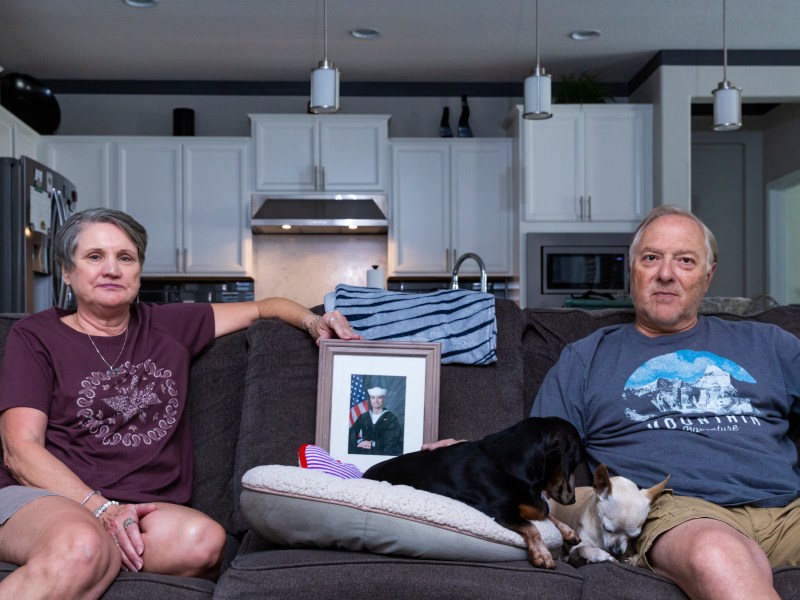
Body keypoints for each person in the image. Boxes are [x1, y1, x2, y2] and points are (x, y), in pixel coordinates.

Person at [0, 208, 360, 600]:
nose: (112, 269)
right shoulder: (35, 336)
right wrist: (101, 509)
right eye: (94, 257)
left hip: (140, 510)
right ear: (67, 272)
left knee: (203, 541)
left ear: (138, 271)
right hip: (49, 497)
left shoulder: (170, 325)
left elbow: (265, 306)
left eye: (125, 257)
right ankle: (86, 554)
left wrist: (314, 323)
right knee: (83, 546)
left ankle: (91, 559)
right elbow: (20, 450)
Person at [531, 205, 800, 600]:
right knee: (716, 554)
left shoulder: (770, 344)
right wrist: (466, 454)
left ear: (707, 276)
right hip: (679, 514)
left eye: (686, 260)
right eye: (651, 258)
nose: (666, 274)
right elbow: (534, 457)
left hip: (787, 512)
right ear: (633, 271)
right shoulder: (587, 358)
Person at [348, 386, 403, 455]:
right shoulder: (364, 416)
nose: (376, 401)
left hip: (383, 455)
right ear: (370, 399)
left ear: (383, 399)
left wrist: (372, 444)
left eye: (379, 398)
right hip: (365, 454)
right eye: (373, 397)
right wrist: (360, 441)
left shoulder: (391, 418)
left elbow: (392, 440)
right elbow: (351, 434)